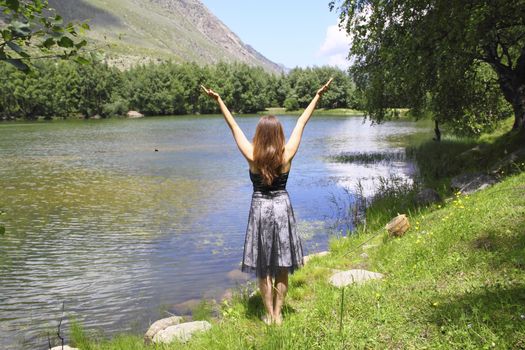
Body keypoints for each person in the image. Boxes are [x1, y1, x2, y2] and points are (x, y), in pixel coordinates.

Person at [201, 78, 333, 325]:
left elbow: (233, 127)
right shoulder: (287, 153)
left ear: (259, 135)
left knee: (263, 265)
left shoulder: (252, 155)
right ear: (279, 134)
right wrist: (318, 95)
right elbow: (302, 122)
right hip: (282, 207)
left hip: (260, 208)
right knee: (282, 264)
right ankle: (279, 314)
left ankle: (269, 314)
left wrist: (218, 100)